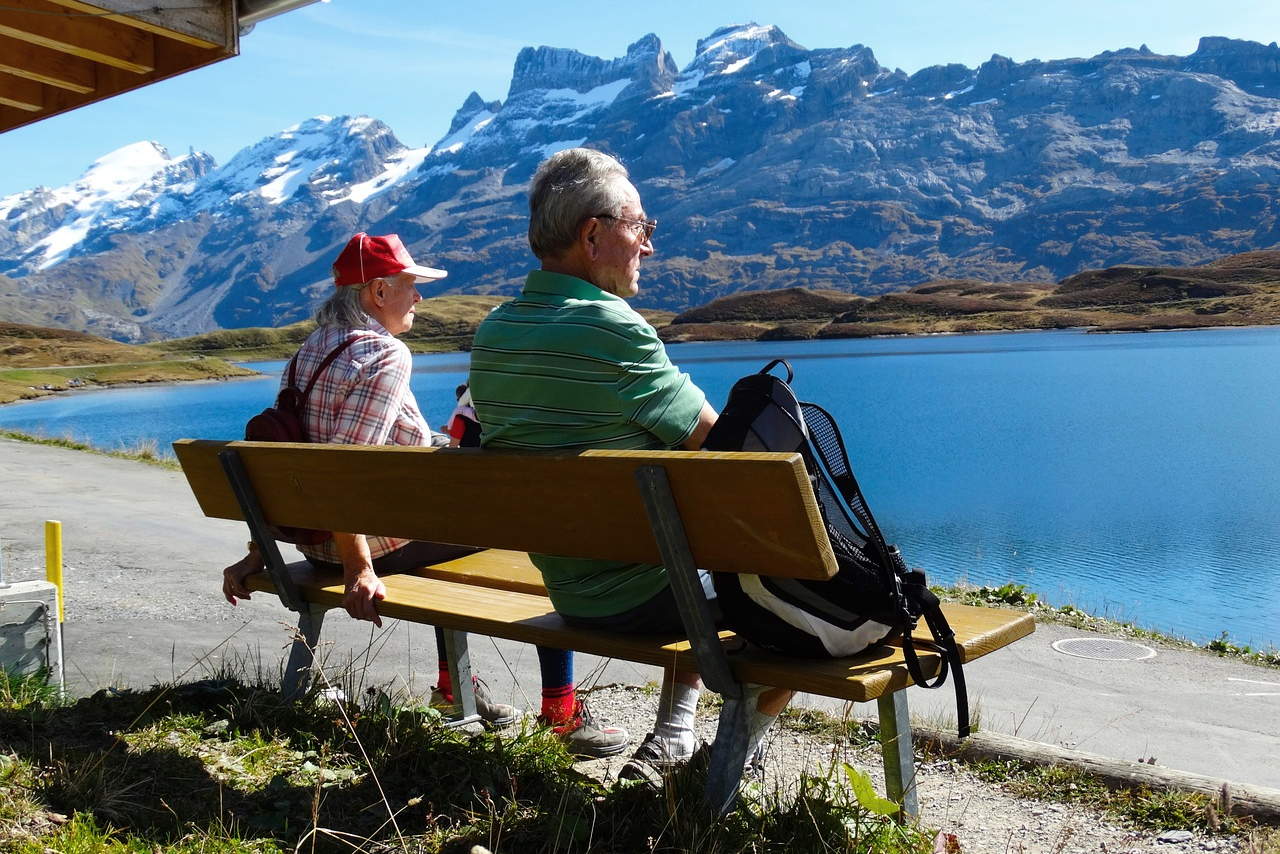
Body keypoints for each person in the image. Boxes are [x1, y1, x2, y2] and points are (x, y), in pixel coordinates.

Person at [221, 231, 626, 757]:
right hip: (364, 548)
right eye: (411, 286)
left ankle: (455, 688)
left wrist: (258, 553)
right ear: (378, 292)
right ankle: (561, 710)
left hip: (312, 542)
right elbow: (345, 471)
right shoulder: (385, 354)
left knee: (447, 513)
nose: (419, 298)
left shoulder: (308, 351)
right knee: (545, 524)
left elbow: (285, 455)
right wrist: (357, 569)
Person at [469, 149, 792, 782]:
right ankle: (715, 767)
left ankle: (673, 735)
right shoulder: (614, 329)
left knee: (679, 540)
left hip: (570, 586)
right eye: (640, 227)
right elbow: (723, 449)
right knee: (815, 591)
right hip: (647, 595)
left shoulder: (493, 333)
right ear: (593, 234)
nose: (649, 246)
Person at [444, 384, 481, 448]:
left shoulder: (460, 418)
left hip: (470, 455)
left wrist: (450, 429)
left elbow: (452, 448)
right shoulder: (486, 417)